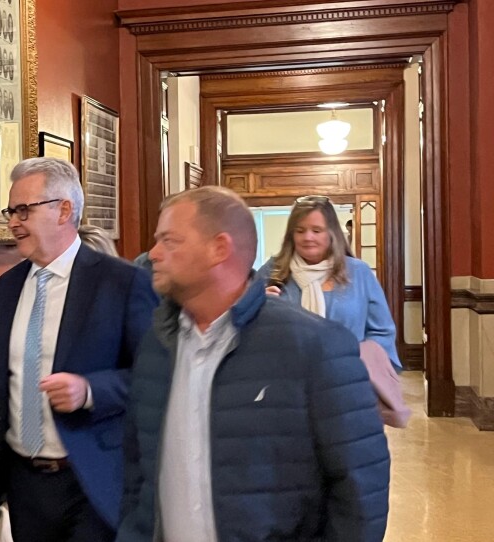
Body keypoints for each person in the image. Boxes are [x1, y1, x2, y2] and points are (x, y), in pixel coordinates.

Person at [117, 186, 390, 542]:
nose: (153, 254)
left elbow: (360, 487)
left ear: (219, 248)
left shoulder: (315, 345)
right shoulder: (156, 344)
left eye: (170, 240)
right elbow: (139, 472)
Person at [0, 158, 157, 542]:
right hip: (25, 485)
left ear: (65, 210)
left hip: (92, 480)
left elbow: (155, 376)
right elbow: (1, 373)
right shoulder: (8, 287)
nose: (12, 222)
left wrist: (90, 391)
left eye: (24, 210)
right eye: (10, 211)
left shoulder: (122, 282)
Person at [257, 196, 401, 368]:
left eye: (316, 230)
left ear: (332, 233)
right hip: (287, 378)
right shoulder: (272, 271)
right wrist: (256, 306)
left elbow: (382, 332)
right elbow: (241, 326)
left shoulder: (358, 273)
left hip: (350, 377)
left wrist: (359, 364)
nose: (308, 237)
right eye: (300, 230)